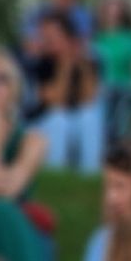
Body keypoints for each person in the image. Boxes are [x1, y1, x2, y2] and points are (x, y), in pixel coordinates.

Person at [0, 50, 49, 261]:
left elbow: (8, 190)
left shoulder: (32, 139)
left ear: (14, 88)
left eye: (1, 79)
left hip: (15, 224)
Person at [29, 10, 102, 173]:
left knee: (90, 116)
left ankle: (90, 174)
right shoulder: (41, 63)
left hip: (75, 124)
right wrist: (65, 65)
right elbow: (54, 100)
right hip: (43, 124)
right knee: (59, 118)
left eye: (53, 35)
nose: (47, 40)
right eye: (44, 35)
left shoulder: (87, 62)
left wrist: (81, 63)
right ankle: (56, 173)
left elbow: (90, 98)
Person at [93, 0, 131, 135]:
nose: (113, 11)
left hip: (124, 87)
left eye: (117, 7)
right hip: (100, 89)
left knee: (121, 112)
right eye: (110, 7)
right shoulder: (95, 37)